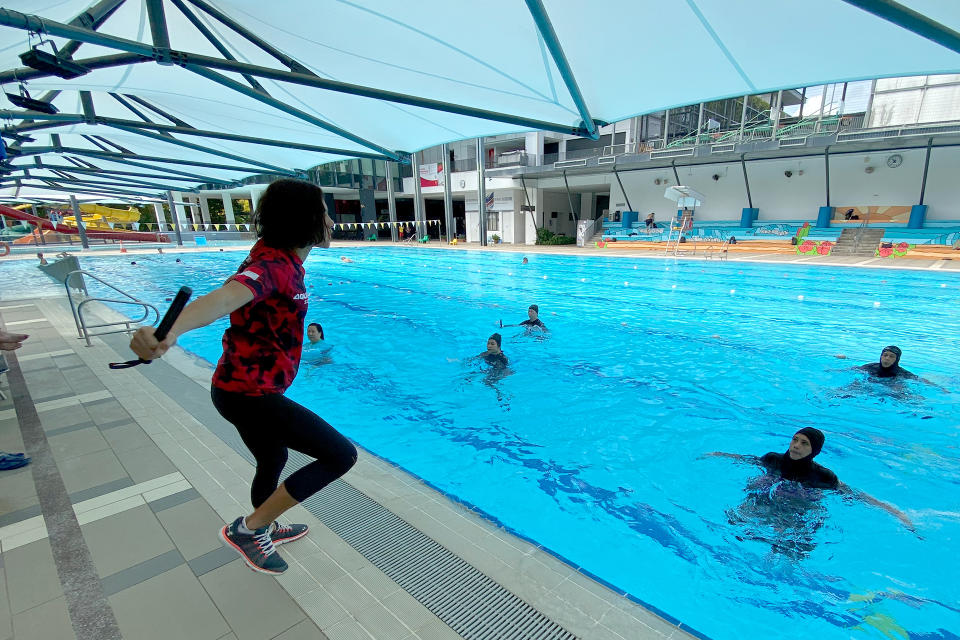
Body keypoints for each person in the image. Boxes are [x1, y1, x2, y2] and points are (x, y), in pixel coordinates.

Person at [129, 179, 357, 575]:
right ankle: (249, 530)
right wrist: (169, 331)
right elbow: (224, 298)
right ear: (304, 219)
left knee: (273, 456)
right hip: (249, 394)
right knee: (340, 454)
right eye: (324, 211)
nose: (331, 221)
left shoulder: (277, 258)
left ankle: (265, 526)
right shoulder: (271, 266)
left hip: (235, 387)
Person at [705, 427, 914, 530]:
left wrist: (894, 511)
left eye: (804, 443)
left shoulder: (823, 476)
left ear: (815, 450)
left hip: (796, 510)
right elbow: (748, 460)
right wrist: (719, 454)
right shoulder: (774, 460)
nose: (796, 446)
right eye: (795, 440)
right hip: (765, 500)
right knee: (734, 521)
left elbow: (852, 493)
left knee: (790, 545)